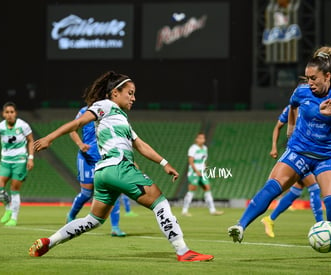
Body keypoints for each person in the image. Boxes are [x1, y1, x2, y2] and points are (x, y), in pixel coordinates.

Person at [29, 71, 213, 262]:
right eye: (130, 93)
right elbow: (78, 122)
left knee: (94, 220)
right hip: (118, 167)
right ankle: (183, 251)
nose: (134, 98)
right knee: (160, 203)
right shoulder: (105, 105)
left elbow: (140, 144)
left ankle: (49, 241)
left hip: (103, 173)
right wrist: (49, 138)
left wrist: (164, 163)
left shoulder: (121, 118)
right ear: (115, 92)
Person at [228, 46, 331, 262]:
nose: (310, 82)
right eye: (308, 77)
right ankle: (240, 225)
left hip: (327, 155)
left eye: (314, 78)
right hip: (299, 151)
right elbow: (293, 106)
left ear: (328, 76)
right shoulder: (301, 91)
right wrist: (290, 129)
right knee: (272, 186)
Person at [261, 105, 323, 238]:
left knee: (296, 191)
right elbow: (278, 126)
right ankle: (321, 226)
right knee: (314, 188)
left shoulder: (314, 105)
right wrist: (274, 147)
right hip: (297, 154)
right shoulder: (291, 108)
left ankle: (270, 219)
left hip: (308, 153)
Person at [67, 106, 126, 237]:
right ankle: (71, 215)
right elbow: (72, 130)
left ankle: (115, 227)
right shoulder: (84, 112)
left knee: (113, 191)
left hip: (105, 158)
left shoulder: (109, 111)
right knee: (86, 193)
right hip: (87, 157)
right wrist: (80, 144)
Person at [0, 102, 34, 226]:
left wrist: (30, 158)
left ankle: (14, 217)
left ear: (15, 113)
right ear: (3, 114)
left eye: (12, 112)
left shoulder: (23, 125)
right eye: (7, 112)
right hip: (5, 161)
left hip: (20, 161)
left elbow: (31, 141)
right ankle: (8, 207)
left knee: (14, 189)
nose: (9, 114)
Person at [181, 132, 223, 216]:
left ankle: (212, 210)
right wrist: (196, 171)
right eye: (200, 138)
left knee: (207, 188)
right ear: (196, 139)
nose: (201, 140)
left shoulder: (205, 148)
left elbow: (204, 161)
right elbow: (191, 161)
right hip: (194, 172)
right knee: (192, 189)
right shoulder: (193, 148)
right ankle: (184, 211)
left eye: (203, 138)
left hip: (202, 172)